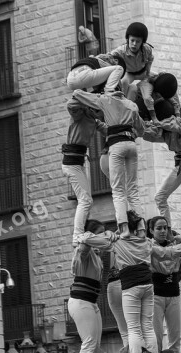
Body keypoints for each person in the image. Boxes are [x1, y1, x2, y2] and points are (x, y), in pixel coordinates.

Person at [76, 210, 181, 353]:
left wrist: (107, 234)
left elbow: (87, 239)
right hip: (147, 286)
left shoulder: (116, 241)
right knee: (148, 330)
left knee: (131, 331)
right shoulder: (145, 242)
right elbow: (168, 253)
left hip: (125, 285)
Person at [71, 88, 145, 238]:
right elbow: (141, 130)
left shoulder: (106, 100)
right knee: (133, 191)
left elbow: (78, 93)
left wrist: (95, 93)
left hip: (116, 146)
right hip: (131, 145)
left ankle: (124, 229)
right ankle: (142, 229)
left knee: (118, 191)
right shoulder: (131, 104)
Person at [68, 219, 107, 353]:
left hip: (91, 302)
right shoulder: (85, 250)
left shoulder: (97, 255)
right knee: (89, 342)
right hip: (80, 302)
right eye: (101, 233)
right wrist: (87, 237)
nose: (103, 236)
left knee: (96, 345)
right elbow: (84, 245)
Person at [63, 96, 107, 246]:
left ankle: (79, 234)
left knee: (87, 200)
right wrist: (85, 96)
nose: (99, 114)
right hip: (72, 163)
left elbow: (109, 130)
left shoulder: (95, 122)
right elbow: (70, 103)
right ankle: (76, 236)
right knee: (85, 200)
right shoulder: (80, 114)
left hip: (77, 163)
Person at [148, 217, 181, 353]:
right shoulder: (149, 245)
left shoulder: (174, 244)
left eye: (165, 228)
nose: (163, 231)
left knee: (176, 337)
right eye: (159, 228)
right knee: (156, 337)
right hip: (156, 295)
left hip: (174, 293)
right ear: (151, 230)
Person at [110, 22, 154, 92]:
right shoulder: (121, 50)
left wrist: (148, 72)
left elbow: (151, 58)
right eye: (132, 40)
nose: (134, 44)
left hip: (143, 73)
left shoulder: (147, 49)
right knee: (123, 83)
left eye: (138, 41)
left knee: (163, 78)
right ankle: (123, 100)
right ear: (128, 39)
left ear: (143, 42)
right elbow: (108, 56)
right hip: (129, 74)